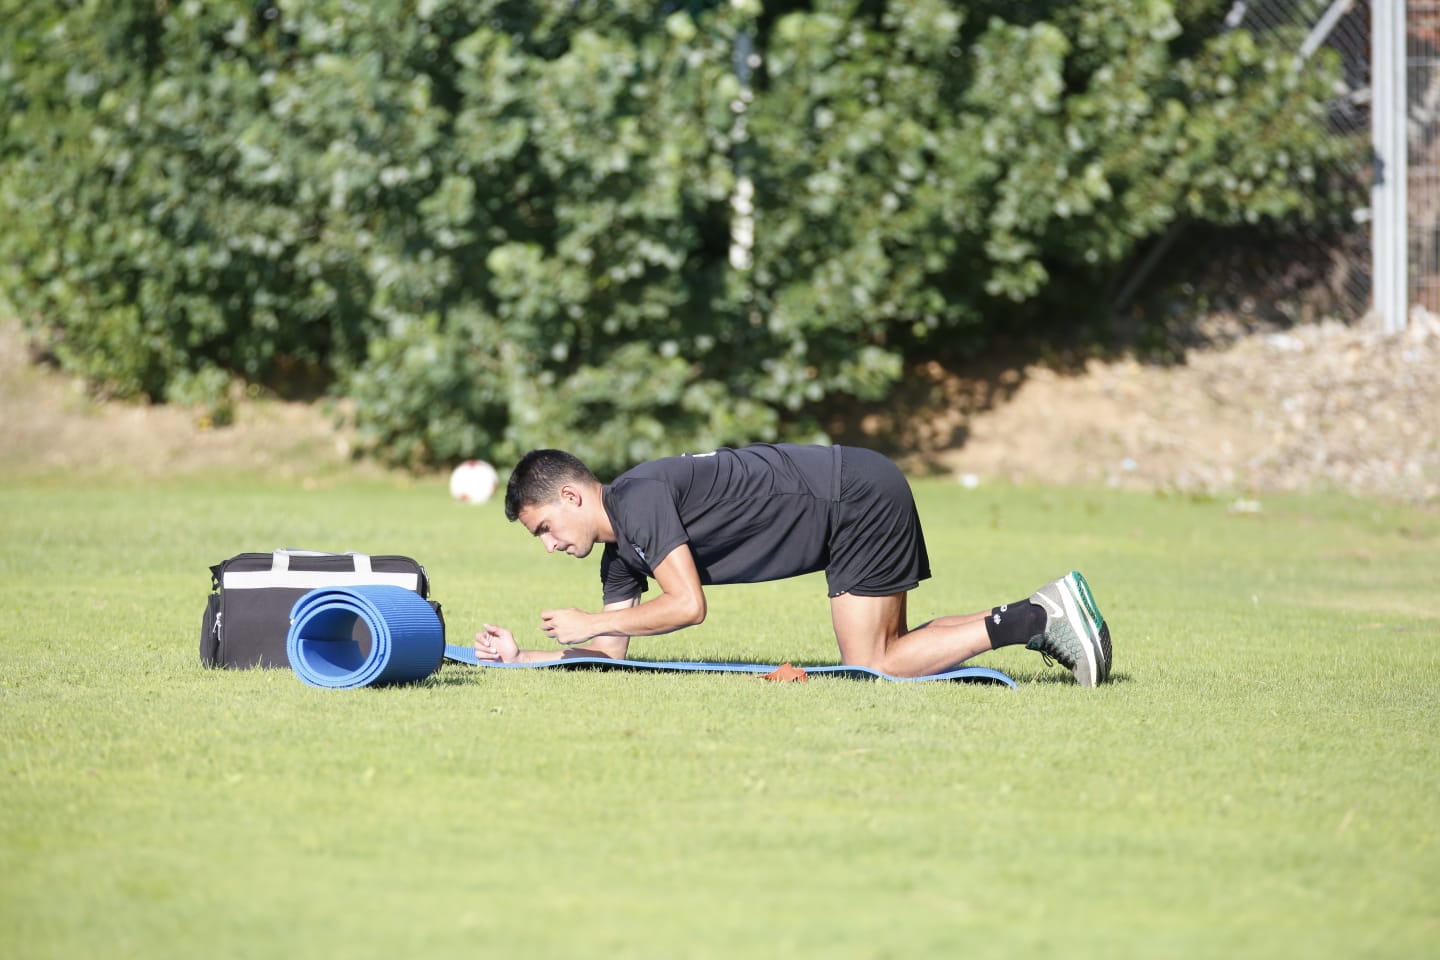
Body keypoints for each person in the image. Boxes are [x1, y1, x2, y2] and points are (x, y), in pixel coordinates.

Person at [474, 443, 1112, 684]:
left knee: (871, 664)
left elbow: (690, 608)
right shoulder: (623, 554)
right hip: (855, 488)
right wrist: (520, 658)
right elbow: (611, 655)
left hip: (851, 494)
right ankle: (1048, 608)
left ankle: (1032, 620)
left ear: (571, 495)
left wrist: (586, 622)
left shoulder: (638, 499)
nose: (549, 544)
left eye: (547, 527)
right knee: (892, 648)